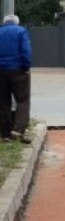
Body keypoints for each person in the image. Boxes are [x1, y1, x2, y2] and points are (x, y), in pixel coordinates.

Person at [0, 14, 32, 143]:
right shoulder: (21, 31)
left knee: (3, 102)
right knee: (22, 100)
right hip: (18, 70)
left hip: (0, 71)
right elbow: (26, 50)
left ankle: (5, 134)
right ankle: (18, 130)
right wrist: (26, 66)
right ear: (16, 22)